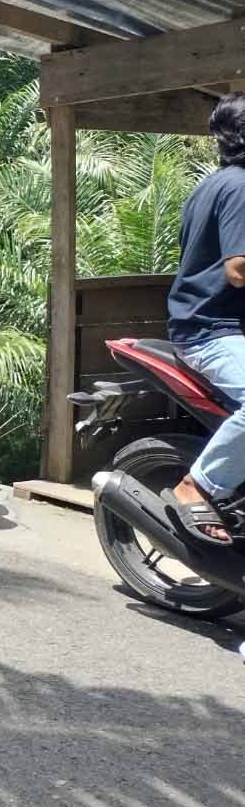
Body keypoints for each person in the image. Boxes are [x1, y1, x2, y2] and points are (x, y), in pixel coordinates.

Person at [165, 93, 245, 544]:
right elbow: (238, 269)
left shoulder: (211, 185)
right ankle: (198, 486)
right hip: (212, 331)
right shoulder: (241, 187)